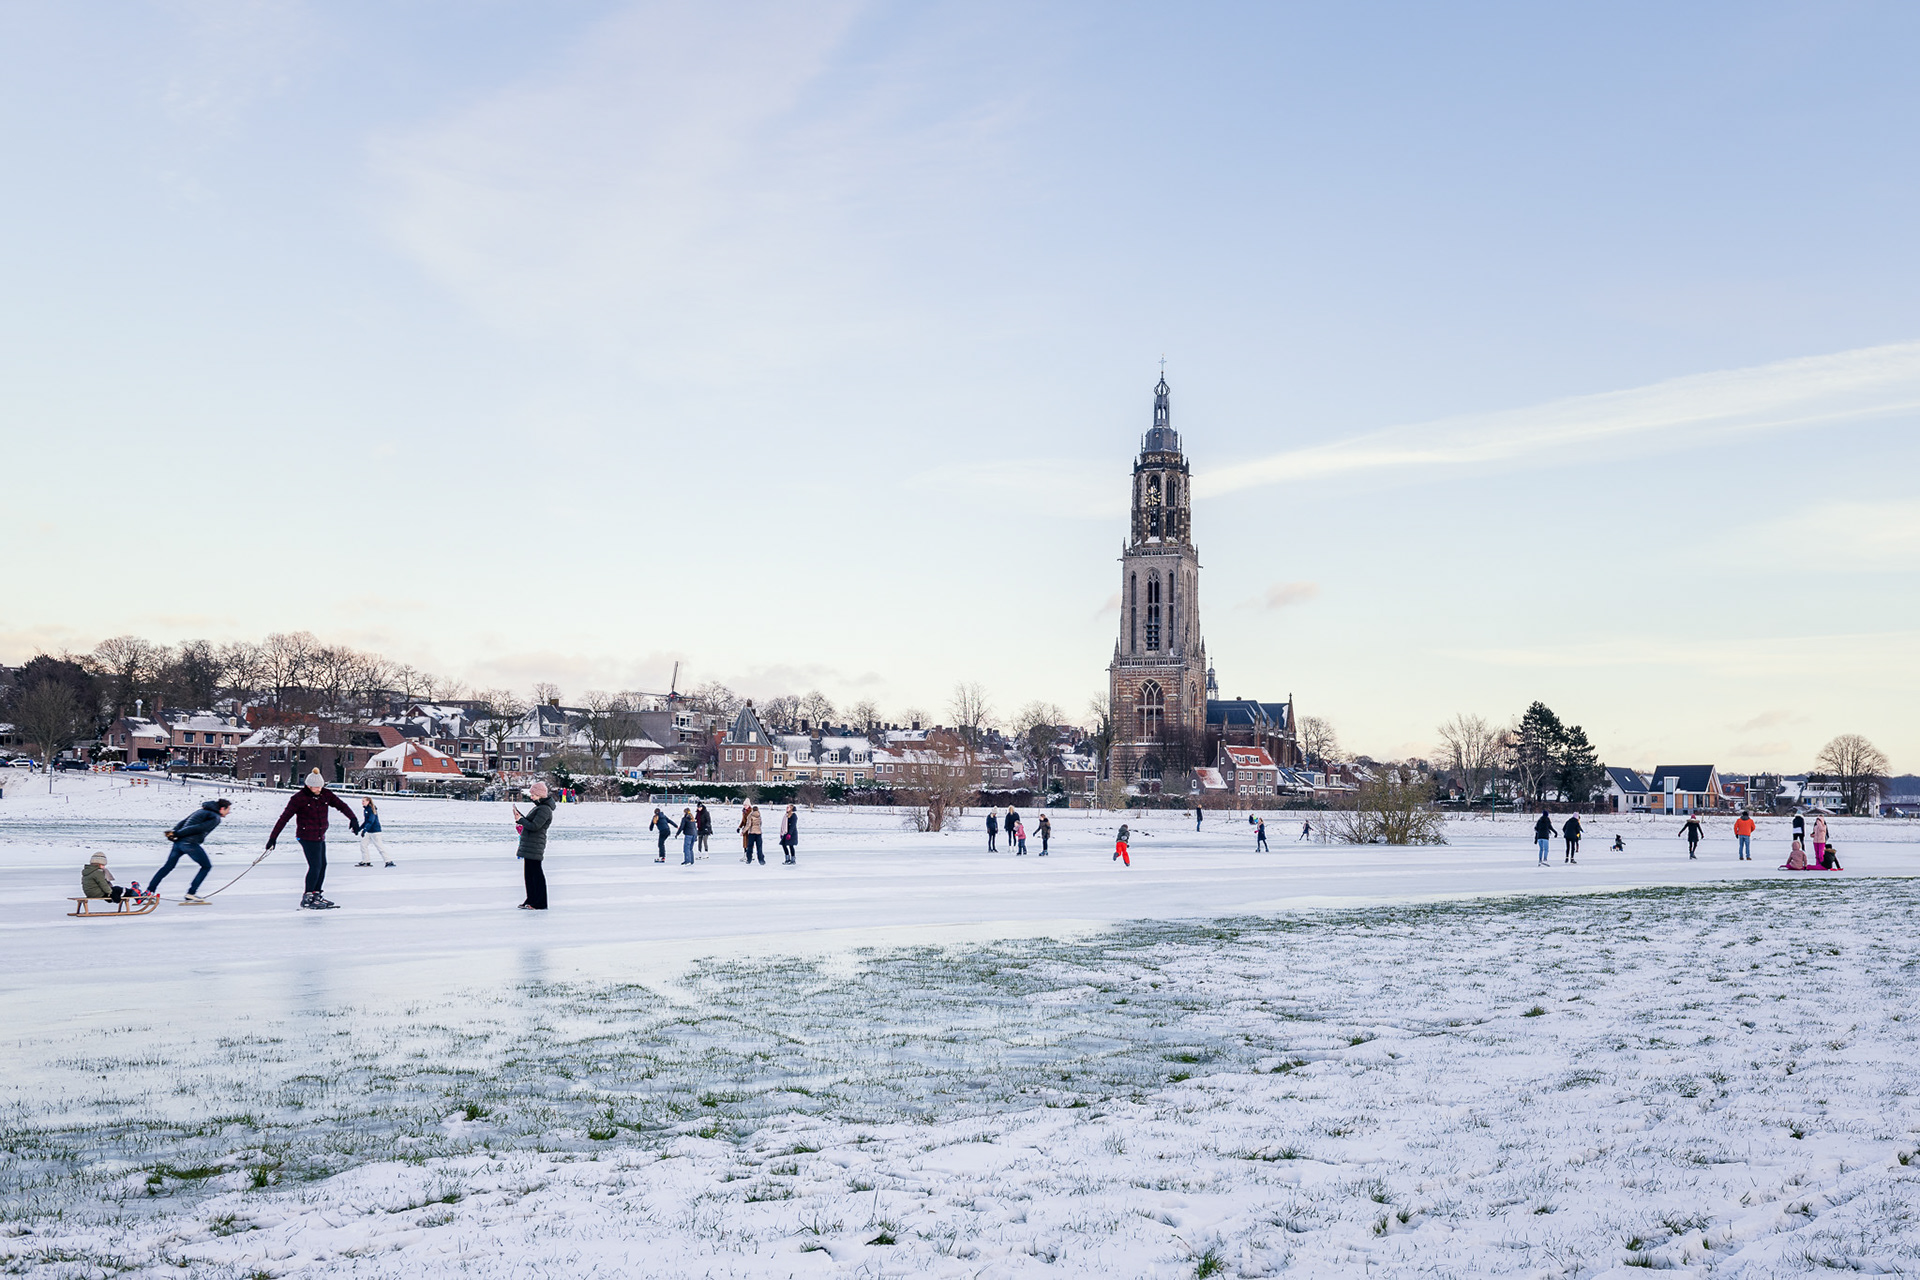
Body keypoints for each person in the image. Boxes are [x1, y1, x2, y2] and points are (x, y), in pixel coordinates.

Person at [267, 771, 359, 910]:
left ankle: (316, 894)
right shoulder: (299, 798)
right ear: (308, 786)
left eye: (320, 786)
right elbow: (284, 818)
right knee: (315, 866)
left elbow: (342, 806)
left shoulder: (325, 794)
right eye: (316, 787)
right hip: (306, 836)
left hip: (320, 835)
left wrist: (353, 818)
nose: (319, 789)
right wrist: (273, 838)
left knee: (323, 865)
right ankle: (308, 897)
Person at [150, 797, 233, 903]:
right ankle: (191, 893)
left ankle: (149, 892)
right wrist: (177, 833)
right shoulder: (215, 818)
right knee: (206, 866)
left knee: (168, 867)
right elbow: (198, 828)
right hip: (190, 843)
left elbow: (183, 822)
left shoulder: (201, 811)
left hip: (179, 843)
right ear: (222, 808)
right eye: (228, 809)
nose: (229, 812)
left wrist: (174, 832)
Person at [515, 781, 555, 908]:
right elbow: (530, 822)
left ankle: (540, 903)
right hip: (530, 844)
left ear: (540, 795)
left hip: (535, 844)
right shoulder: (539, 807)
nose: (531, 797)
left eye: (533, 795)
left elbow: (535, 826)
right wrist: (521, 818)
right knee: (529, 875)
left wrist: (521, 820)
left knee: (536, 874)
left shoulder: (544, 809)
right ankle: (531, 899)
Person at [356, 798, 394, 868]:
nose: (362, 802)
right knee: (363, 845)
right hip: (369, 831)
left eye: (363, 801)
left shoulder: (371, 809)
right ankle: (366, 861)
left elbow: (371, 821)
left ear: (368, 801)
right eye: (362, 801)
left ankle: (389, 861)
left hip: (375, 831)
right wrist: (359, 829)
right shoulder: (366, 809)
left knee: (379, 846)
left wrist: (364, 830)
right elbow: (366, 822)